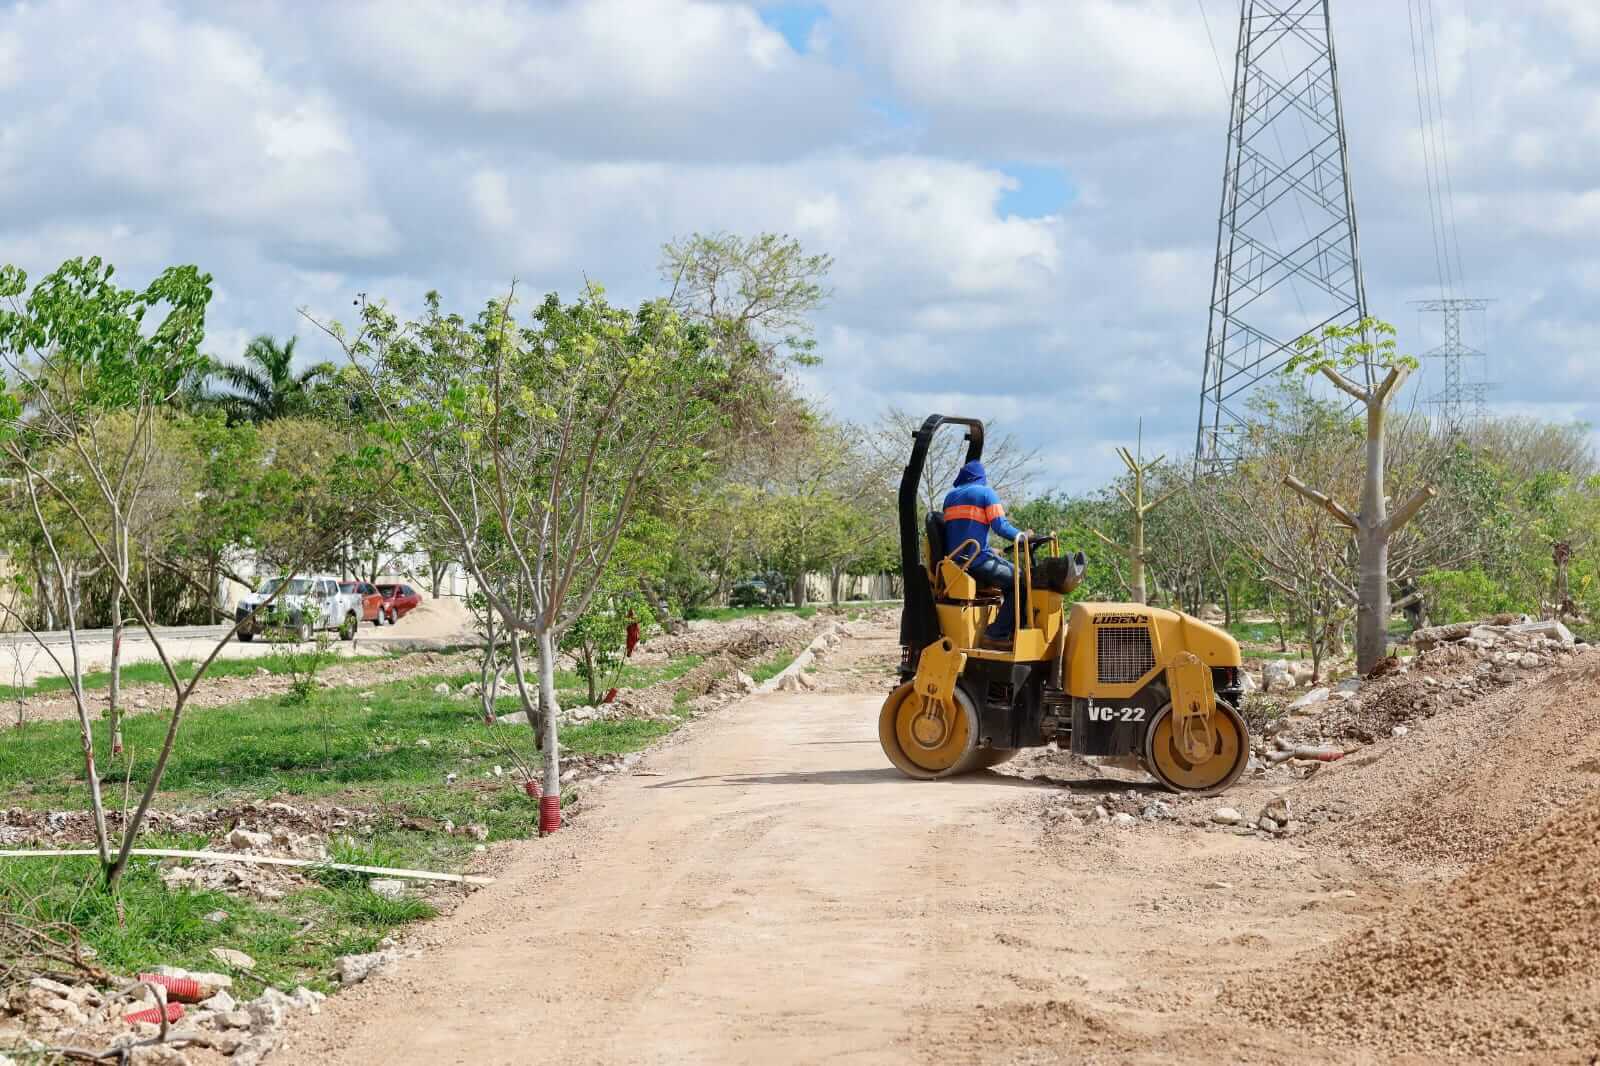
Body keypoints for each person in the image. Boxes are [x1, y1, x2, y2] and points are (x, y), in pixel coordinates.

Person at [942, 460, 1033, 642]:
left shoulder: (949, 497)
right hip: (977, 560)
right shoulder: (985, 493)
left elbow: (960, 531)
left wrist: (990, 550)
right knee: (1021, 580)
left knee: (1012, 580)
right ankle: (998, 633)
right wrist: (1022, 536)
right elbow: (1001, 526)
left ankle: (1011, 628)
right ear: (980, 477)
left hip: (956, 561)